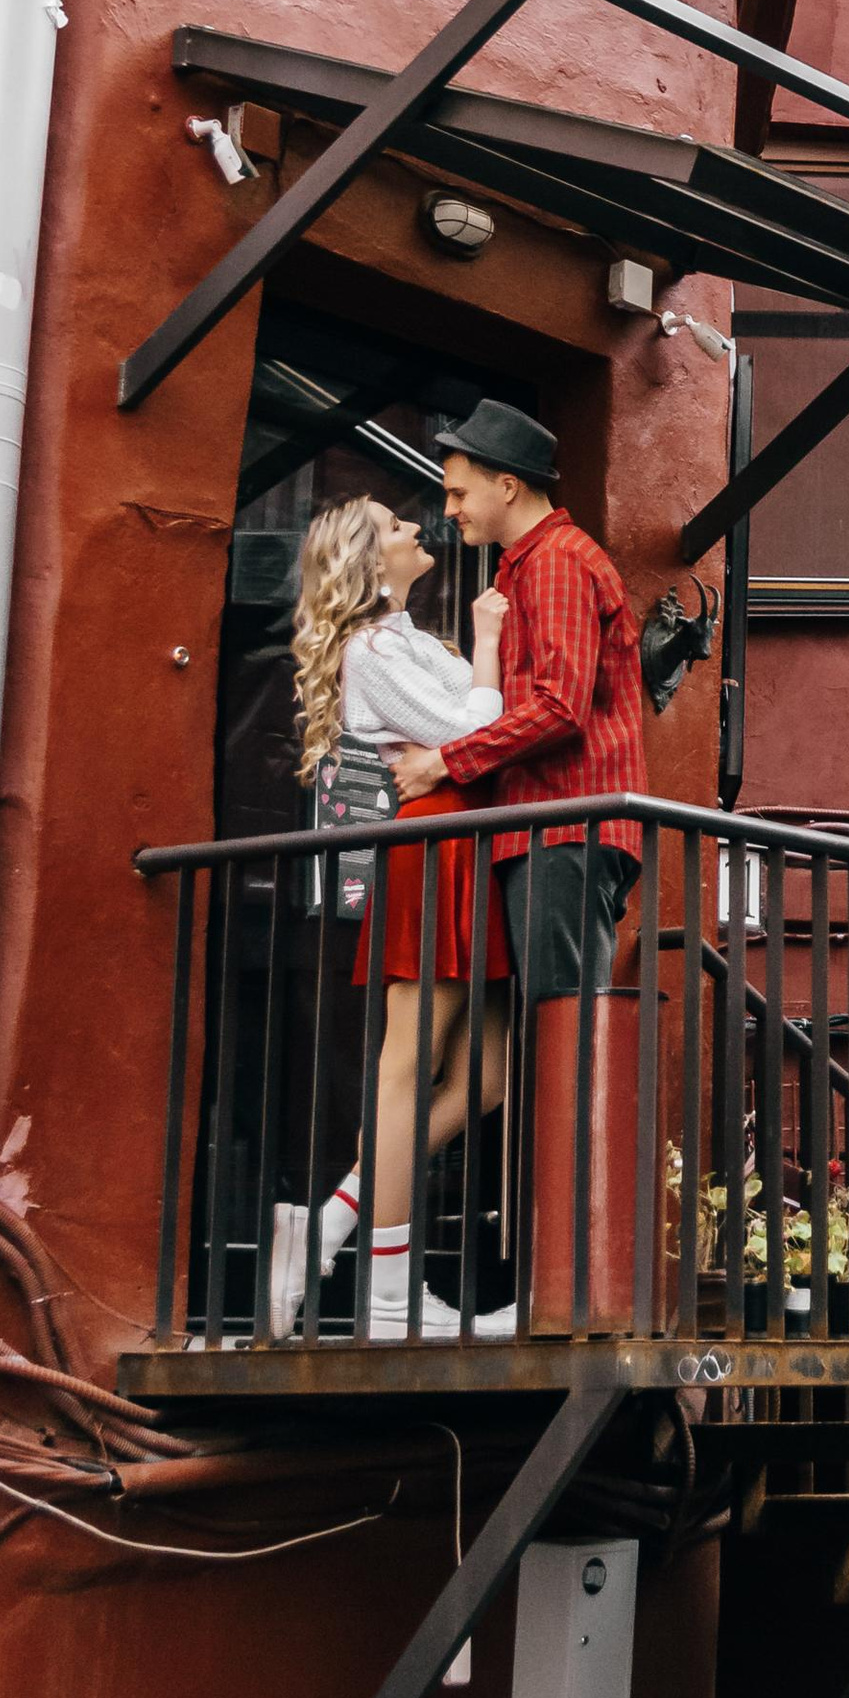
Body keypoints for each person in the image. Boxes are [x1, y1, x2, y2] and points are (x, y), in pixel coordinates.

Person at [274, 495, 513, 1341]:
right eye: (397, 526)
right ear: (372, 562)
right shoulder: (373, 649)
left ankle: (333, 1217)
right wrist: (489, 646)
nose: (418, 528)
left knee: (487, 1079)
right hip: (438, 849)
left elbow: (488, 728)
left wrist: (478, 678)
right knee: (408, 1069)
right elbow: (475, 727)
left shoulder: (414, 642)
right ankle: (386, 1301)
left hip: (467, 845)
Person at [386, 399, 646, 1006]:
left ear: (507, 486)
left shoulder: (555, 560)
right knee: (541, 1040)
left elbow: (560, 707)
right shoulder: (526, 568)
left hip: (564, 825)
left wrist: (442, 761)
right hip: (547, 827)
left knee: (565, 1030)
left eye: (458, 494)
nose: (448, 511)